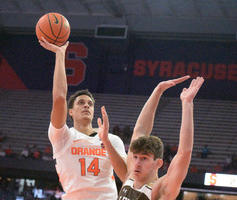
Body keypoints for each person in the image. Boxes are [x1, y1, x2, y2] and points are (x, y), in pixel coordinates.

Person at [39, 37, 127, 200]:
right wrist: (60, 54)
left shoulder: (112, 140)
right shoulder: (63, 137)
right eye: (81, 102)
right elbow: (59, 98)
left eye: (90, 103)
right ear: (70, 111)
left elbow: (126, 176)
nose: (86, 105)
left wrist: (106, 142)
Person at [101, 76, 204, 200]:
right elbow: (140, 130)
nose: (137, 163)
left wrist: (187, 103)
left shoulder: (160, 189)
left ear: (158, 163)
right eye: (135, 157)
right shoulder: (130, 177)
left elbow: (184, 152)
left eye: (144, 158)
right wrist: (158, 90)